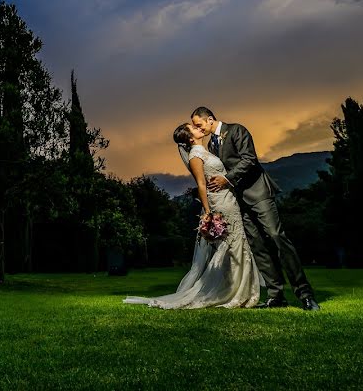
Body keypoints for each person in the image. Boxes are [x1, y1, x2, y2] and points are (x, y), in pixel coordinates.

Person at [191, 107, 320, 311]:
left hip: (258, 193)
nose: (198, 129)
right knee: (258, 246)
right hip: (238, 202)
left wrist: (227, 179)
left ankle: (305, 293)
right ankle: (276, 295)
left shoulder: (237, 130)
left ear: (210, 119)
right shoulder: (211, 146)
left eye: (199, 124)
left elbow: (249, 159)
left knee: (276, 236)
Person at [123, 121, 261, 309]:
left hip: (229, 198)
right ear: (190, 137)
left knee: (238, 244)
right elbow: (201, 184)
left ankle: (241, 291)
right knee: (232, 245)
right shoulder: (195, 155)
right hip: (219, 202)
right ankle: (233, 293)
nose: (199, 128)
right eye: (194, 128)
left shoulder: (206, 151)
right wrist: (208, 212)